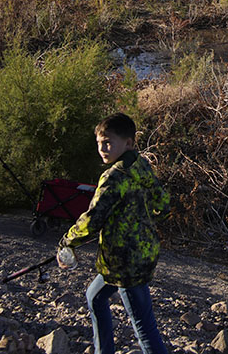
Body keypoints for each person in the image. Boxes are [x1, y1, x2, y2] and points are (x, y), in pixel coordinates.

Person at [58, 113, 172, 354]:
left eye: (108, 142)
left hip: (124, 262)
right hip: (144, 252)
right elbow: (163, 202)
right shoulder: (141, 165)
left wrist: (68, 240)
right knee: (95, 297)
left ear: (129, 143)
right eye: (99, 143)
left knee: (143, 325)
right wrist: (143, 220)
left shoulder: (114, 176)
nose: (102, 148)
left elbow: (92, 218)